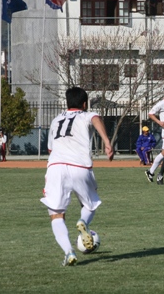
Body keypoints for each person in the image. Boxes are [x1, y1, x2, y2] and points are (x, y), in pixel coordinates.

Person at [40, 87, 114, 266]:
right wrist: (107, 142)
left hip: (56, 167)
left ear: (67, 102)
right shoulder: (86, 115)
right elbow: (95, 119)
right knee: (90, 204)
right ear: (84, 103)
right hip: (80, 166)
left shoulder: (56, 119)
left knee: (56, 215)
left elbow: (50, 148)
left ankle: (69, 252)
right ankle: (83, 222)